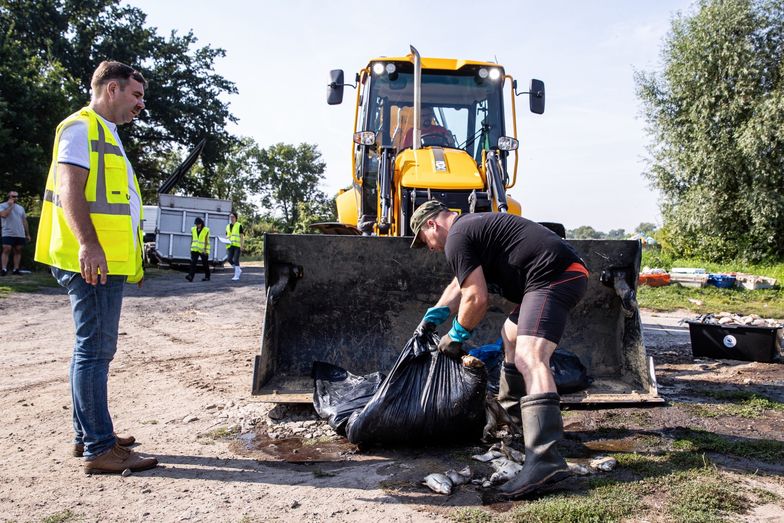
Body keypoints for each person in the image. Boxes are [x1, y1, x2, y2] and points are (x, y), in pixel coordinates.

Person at [410, 200, 588, 498]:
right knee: (510, 335)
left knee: (531, 355)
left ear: (432, 224)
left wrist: (456, 335)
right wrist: (436, 313)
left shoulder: (456, 236)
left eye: (424, 240)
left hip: (555, 276)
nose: (429, 248)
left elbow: (477, 298)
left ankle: (545, 459)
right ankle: (517, 423)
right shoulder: (467, 230)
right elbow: (459, 284)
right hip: (551, 276)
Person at [34, 60, 158, 474]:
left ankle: (86, 435)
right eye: (136, 94)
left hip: (104, 259)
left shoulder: (107, 133)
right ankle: (100, 448)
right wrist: (89, 245)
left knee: (89, 349)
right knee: (95, 351)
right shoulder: (81, 127)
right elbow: (71, 187)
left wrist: (134, 262)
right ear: (112, 89)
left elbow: (120, 206)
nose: (141, 103)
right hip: (89, 259)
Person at [0, 191, 31, 275]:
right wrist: (11, 206)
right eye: (13, 196)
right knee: (6, 249)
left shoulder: (20, 208)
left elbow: (24, 221)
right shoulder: (2, 206)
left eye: (17, 196)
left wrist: (27, 234)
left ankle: (16, 269)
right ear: (9, 196)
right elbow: (4, 215)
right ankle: (4, 269)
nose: (15, 198)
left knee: (18, 250)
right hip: (7, 232)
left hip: (19, 233)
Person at [186, 217, 210, 282]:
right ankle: (190, 276)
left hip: (203, 250)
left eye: (198, 224)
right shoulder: (193, 229)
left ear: (201, 223)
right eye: (196, 224)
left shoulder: (206, 230)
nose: (197, 225)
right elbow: (192, 238)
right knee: (193, 263)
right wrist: (191, 247)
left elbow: (206, 240)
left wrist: (205, 250)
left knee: (205, 264)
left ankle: (207, 276)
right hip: (194, 249)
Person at [226, 211, 243, 281]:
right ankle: (238, 269)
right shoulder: (227, 226)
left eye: (233, 217)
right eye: (231, 217)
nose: (231, 218)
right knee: (229, 259)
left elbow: (241, 236)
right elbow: (227, 235)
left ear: (236, 218)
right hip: (230, 245)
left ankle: (237, 275)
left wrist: (242, 245)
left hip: (237, 245)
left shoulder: (239, 225)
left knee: (236, 259)